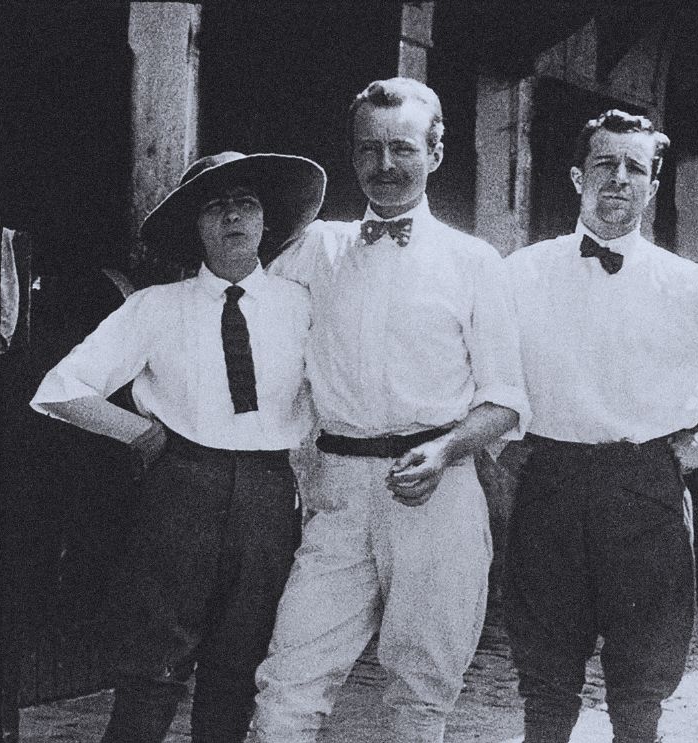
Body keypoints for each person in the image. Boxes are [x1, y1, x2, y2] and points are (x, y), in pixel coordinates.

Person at [503, 110, 698, 743]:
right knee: (546, 683)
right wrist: (503, 441)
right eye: (604, 164)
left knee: (641, 687)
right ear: (575, 176)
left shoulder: (687, 285)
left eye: (634, 168)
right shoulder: (518, 274)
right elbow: (475, 360)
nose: (618, 178)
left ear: (652, 186)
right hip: (549, 485)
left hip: (646, 487)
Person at [250, 77, 529, 743]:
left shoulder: (473, 262)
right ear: (351, 156)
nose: (384, 165)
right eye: (368, 149)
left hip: (438, 489)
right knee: (288, 684)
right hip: (337, 494)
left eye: (402, 148)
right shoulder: (315, 249)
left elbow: (506, 399)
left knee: (420, 696)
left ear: (435, 152)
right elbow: (253, 328)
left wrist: (445, 450)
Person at [29, 151, 326, 743]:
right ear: (196, 225)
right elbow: (59, 388)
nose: (232, 217)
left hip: (268, 497)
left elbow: (332, 399)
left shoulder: (304, 308)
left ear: (267, 220)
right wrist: (139, 433)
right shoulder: (155, 307)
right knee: (152, 668)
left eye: (246, 203)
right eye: (214, 206)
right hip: (181, 490)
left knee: (238, 667)